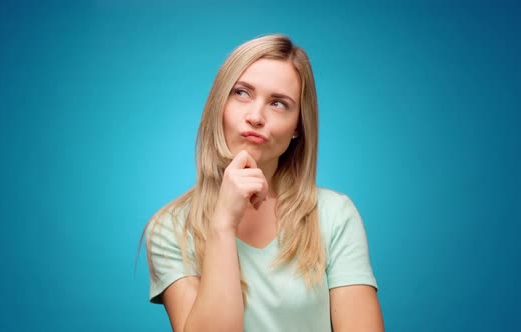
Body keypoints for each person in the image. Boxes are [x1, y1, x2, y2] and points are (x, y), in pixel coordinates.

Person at [143, 34, 384, 331]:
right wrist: (223, 225)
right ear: (219, 104)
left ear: (298, 126)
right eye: (242, 93)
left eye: (279, 103)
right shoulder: (171, 228)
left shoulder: (334, 215)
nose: (256, 117)